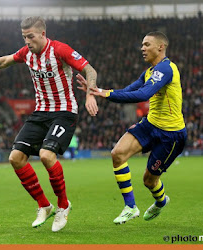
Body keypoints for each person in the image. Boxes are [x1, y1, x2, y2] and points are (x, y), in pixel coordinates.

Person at [0, 16, 98, 232]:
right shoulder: (26, 53)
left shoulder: (60, 50)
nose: (27, 41)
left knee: (46, 155)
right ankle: (43, 205)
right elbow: (4, 61)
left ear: (42, 34)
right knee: (16, 158)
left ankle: (63, 205)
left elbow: (90, 70)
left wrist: (90, 93)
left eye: (30, 36)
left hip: (64, 112)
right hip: (40, 113)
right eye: (24, 37)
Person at [77, 31, 187, 224]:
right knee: (117, 154)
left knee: (149, 181)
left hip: (171, 135)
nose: (142, 48)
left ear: (161, 47)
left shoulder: (167, 69)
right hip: (150, 124)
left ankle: (161, 202)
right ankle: (130, 207)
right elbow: (129, 90)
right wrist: (98, 90)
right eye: (142, 45)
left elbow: (143, 94)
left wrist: (104, 93)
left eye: (147, 44)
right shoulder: (149, 72)